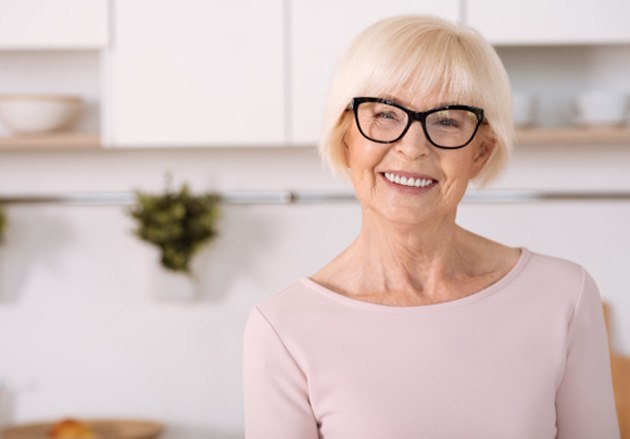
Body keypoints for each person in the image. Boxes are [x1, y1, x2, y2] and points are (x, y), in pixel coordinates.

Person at [242, 14, 620, 439]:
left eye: (446, 120)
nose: (412, 147)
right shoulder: (283, 328)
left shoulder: (565, 297)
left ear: (481, 152)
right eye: (385, 114)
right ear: (347, 137)